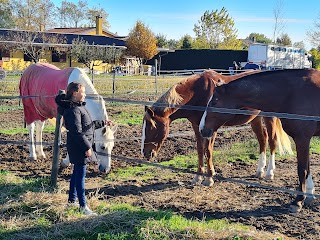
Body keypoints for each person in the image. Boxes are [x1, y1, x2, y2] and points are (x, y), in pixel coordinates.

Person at [55, 82, 106, 216]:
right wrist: (87, 147)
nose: (84, 94)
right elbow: (77, 131)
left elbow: (88, 125)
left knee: (76, 174)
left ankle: (72, 201)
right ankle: (83, 206)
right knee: (80, 176)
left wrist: (104, 123)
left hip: (78, 145)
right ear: (75, 93)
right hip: (78, 147)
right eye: (83, 92)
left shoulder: (78, 107)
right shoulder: (73, 110)